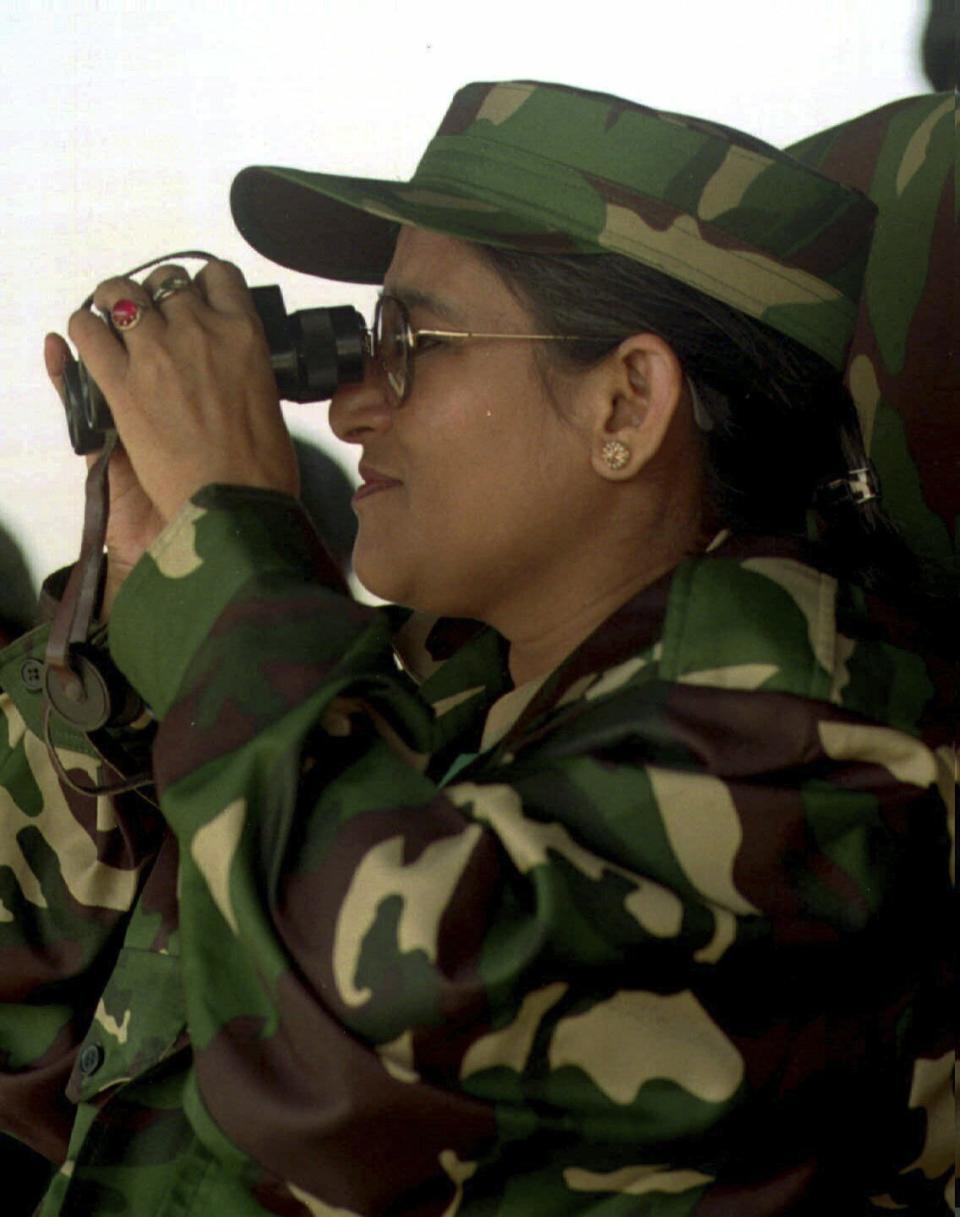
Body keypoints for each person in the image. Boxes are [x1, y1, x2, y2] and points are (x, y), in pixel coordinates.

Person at [0, 80, 953, 1217]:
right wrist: (122, 626)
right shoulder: (438, 711)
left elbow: (365, 1046)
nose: (350, 407)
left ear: (626, 405)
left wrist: (230, 570)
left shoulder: (821, 748)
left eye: (412, 340)